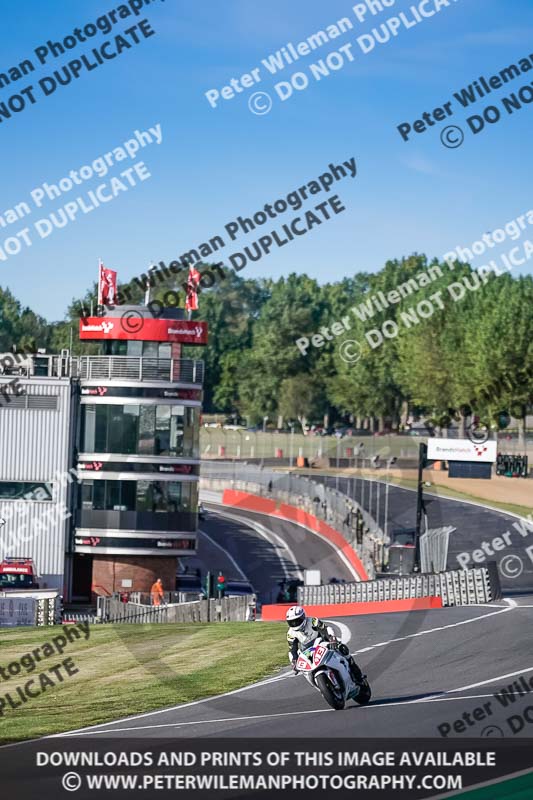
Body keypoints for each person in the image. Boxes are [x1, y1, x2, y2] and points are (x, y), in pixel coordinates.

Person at [286, 605, 363, 684]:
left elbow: (325, 629)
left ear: (303, 617)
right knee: (304, 669)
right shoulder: (290, 634)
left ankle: (357, 673)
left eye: (297, 621)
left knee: (342, 648)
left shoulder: (312, 621)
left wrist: (332, 639)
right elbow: (292, 649)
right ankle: (315, 681)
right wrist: (294, 662)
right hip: (307, 650)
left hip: (321, 642)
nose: (295, 624)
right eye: (292, 622)